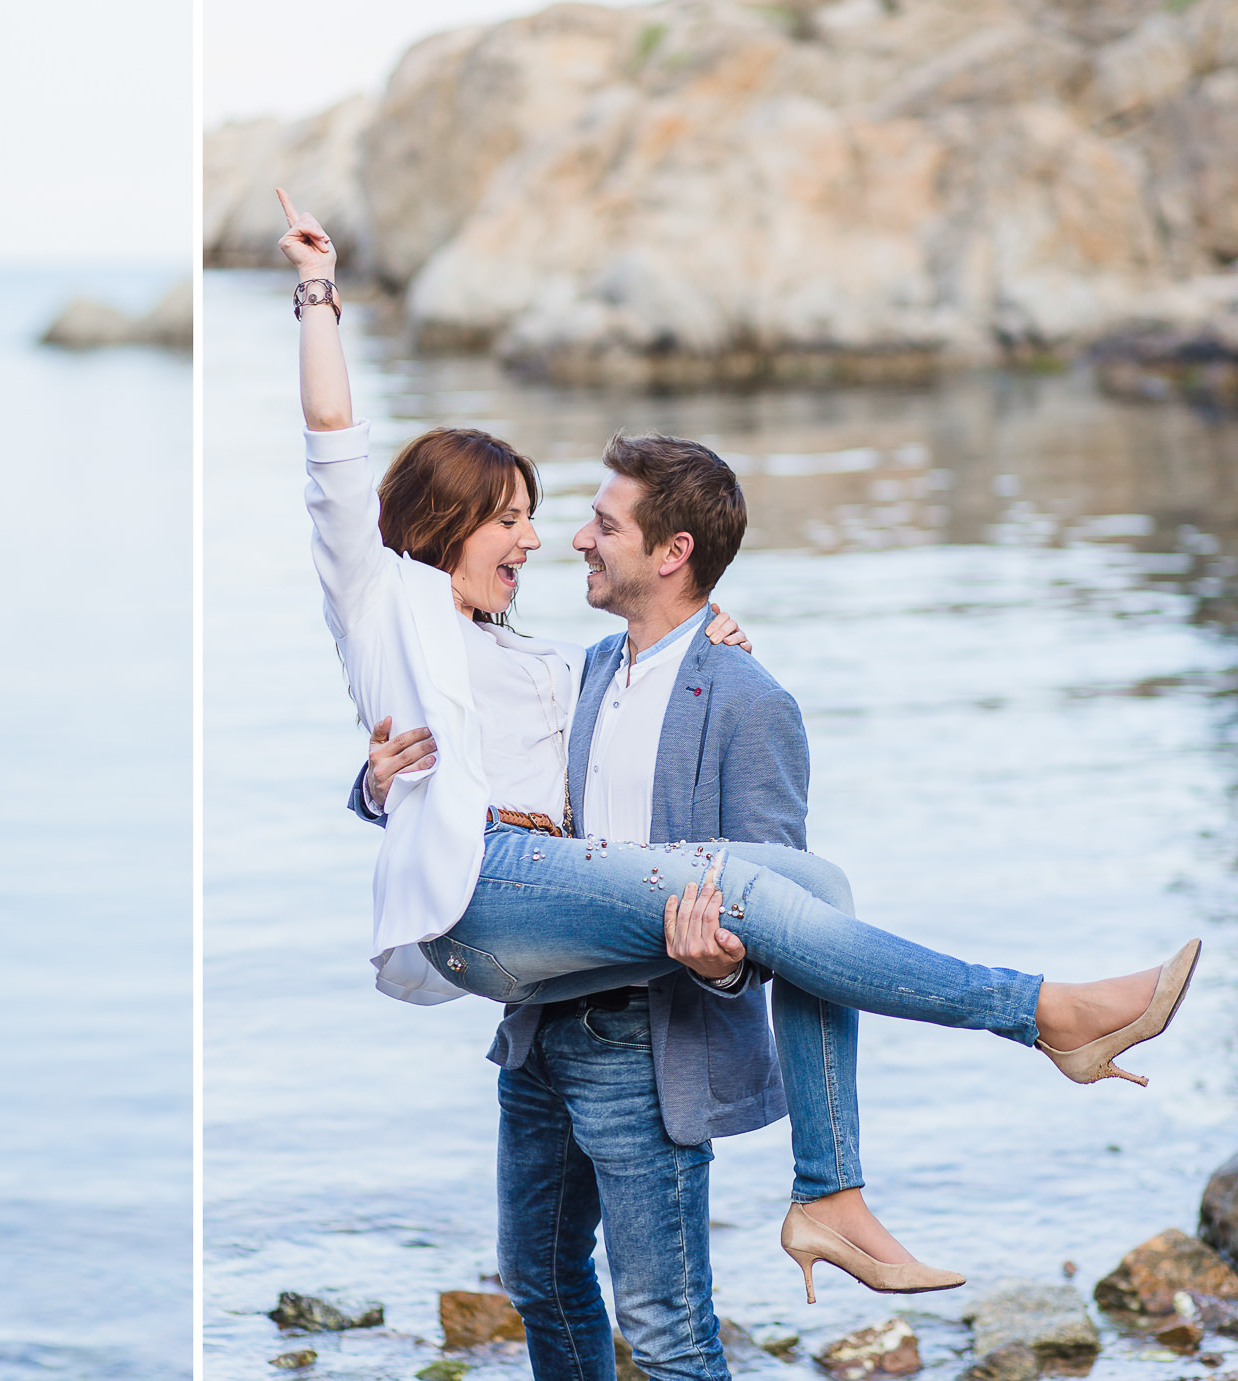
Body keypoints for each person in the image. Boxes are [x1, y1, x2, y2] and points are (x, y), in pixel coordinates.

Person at [274, 189, 1198, 1323]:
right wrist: (318, 293)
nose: (535, 537)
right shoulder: (383, 598)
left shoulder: (558, 660)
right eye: (510, 515)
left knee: (811, 885)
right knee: (755, 889)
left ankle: (829, 1191)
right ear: (443, 519)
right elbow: (331, 451)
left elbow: (628, 674)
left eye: (548, 515)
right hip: (478, 889)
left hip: (549, 901)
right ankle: (1040, 1010)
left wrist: (710, 631)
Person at [349, 437, 859, 1377]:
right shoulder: (577, 672)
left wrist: (727, 960)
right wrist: (375, 784)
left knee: (667, 1328)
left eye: (602, 523)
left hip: (642, 1037)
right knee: (539, 1276)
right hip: (541, 1023)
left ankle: (1012, 1014)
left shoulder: (747, 699)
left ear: (671, 553)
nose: (567, 540)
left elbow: (780, 902)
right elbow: (485, 761)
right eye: (525, 520)